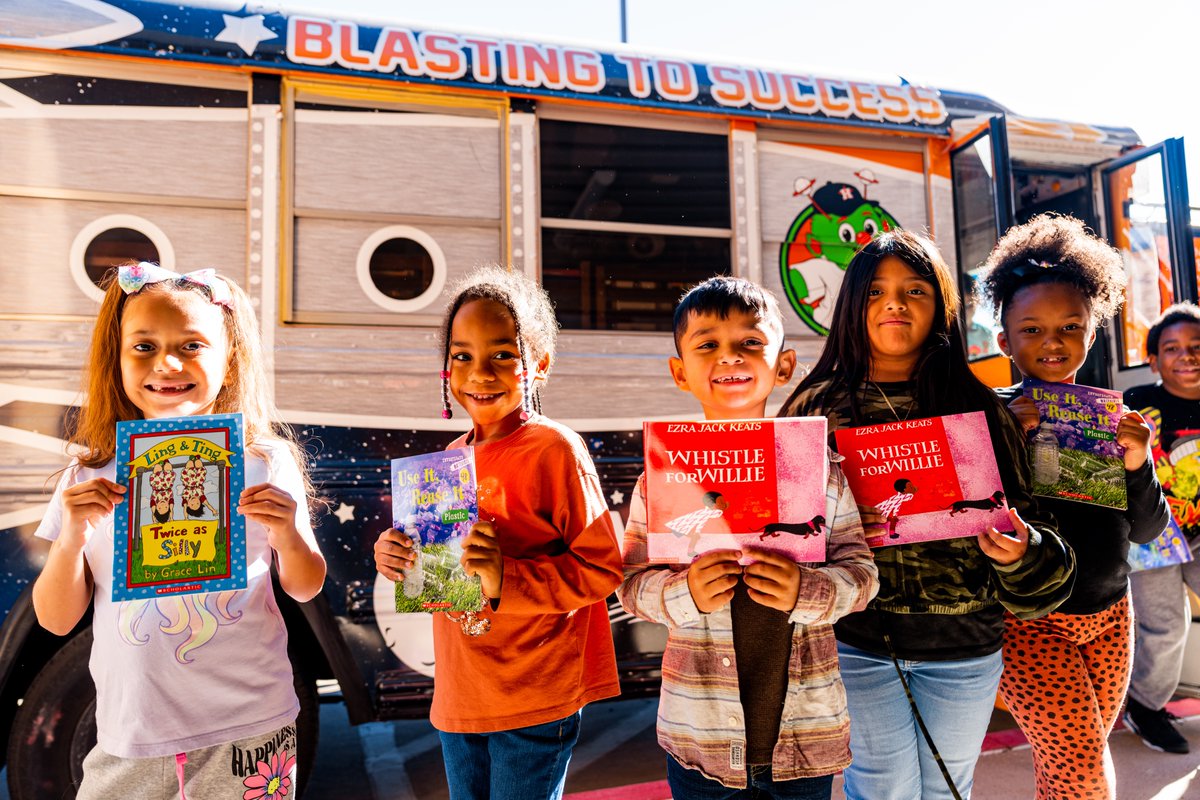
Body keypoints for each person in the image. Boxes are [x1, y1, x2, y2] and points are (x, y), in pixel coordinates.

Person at [779, 230, 1075, 800]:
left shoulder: (981, 408)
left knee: (949, 789)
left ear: (941, 306)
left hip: (965, 646)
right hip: (857, 644)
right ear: (850, 306)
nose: (895, 303)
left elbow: (1046, 553)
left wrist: (1024, 551)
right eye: (876, 292)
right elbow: (789, 540)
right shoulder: (814, 410)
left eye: (915, 289)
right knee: (882, 789)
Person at [31, 263, 326, 799]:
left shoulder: (265, 462)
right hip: (131, 733)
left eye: (191, 345)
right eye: (143, 347)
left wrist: (286, 533)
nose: (167, 363)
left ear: (229, 357)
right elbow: (55, 619)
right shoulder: (90, 475)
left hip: (250, 723)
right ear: (115, 358)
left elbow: (305, 585)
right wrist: (72, 537)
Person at [618, 276, 879, 799]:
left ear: (784, 366)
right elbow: (629, 583)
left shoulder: (819, 471)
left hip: (804, 737)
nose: (730, 357)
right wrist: (682, 593)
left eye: (751, 343)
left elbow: (862, 573)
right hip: (699, 739)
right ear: (680, 372)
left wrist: (808, 590)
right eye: (707, 344)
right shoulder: (664, 477)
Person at [373, 266, 622, 800]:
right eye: (461, 356)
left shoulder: (555, 450)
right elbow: (439, 582)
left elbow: (602, 569)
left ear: (540, 364)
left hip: (535, 689)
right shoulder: (444, 464)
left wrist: (504, 576)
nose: (479, 373)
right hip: (463, 694)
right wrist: (398, 558)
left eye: (502, 355)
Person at [976, 214, 1168, 797]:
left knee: (1073, 761)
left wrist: (1138, 465)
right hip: (1029, 620)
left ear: (1093, 331)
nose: (1052, 342)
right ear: (1004, 340)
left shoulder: (1117, 420)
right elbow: (968, 517)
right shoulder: (989, 414)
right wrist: (1004, 439)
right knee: (1079, 766)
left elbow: (1146, 529)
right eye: (1031, 329)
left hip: (1112, 613)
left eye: (1070, 326)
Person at [1122, 302, 1200, 755]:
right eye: (1171, 349)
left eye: (1195, 347)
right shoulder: (1136, 405)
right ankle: (1146, 706)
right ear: (1153, 360)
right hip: (1152, 533)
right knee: (1166, 623)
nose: (1186, 356)